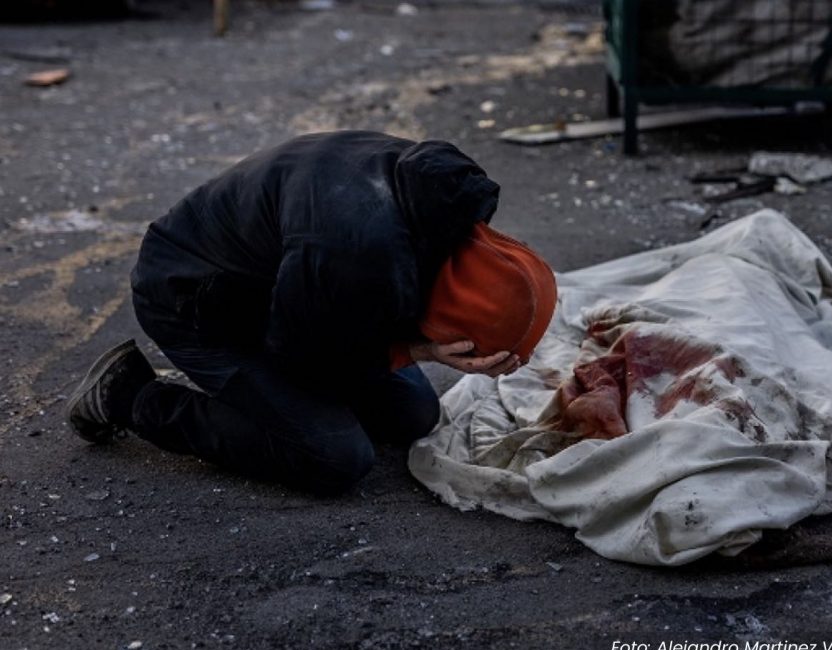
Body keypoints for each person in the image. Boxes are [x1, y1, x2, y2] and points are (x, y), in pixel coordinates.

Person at [66, 131, 557, 494]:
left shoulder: (441, 189)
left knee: (415, 414)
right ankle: (129, 395)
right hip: (191, 301)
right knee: (335, 458)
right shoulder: (355, 255)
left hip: (279, 285)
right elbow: (300, 359)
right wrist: (416, 349)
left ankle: (267, 402)